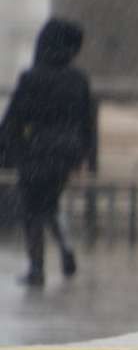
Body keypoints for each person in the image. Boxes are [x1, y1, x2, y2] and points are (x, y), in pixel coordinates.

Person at [1, 18, 95, 288]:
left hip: (37, 150)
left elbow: (15, 119)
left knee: (32, 208)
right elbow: (87, 122)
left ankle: (37, 268)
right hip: (67, 152)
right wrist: (82, 155)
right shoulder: (78, 80)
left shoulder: (32, 78)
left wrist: (11, 151)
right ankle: (65, 248)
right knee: (50, 204)